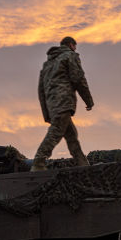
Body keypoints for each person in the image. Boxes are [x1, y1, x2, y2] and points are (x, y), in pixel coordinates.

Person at [33, 36, 94, 171]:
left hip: (52, 104)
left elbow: (41, 91)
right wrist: (88, 100)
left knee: (72, 136)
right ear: (71, 45)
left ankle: (83, 165)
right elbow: (78, 78)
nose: (75, 49)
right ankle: (38, 162)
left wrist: (46, 113)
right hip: (64, 101)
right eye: (75, 46)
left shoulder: (47, 65)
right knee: (56, 131)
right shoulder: (69, 56)